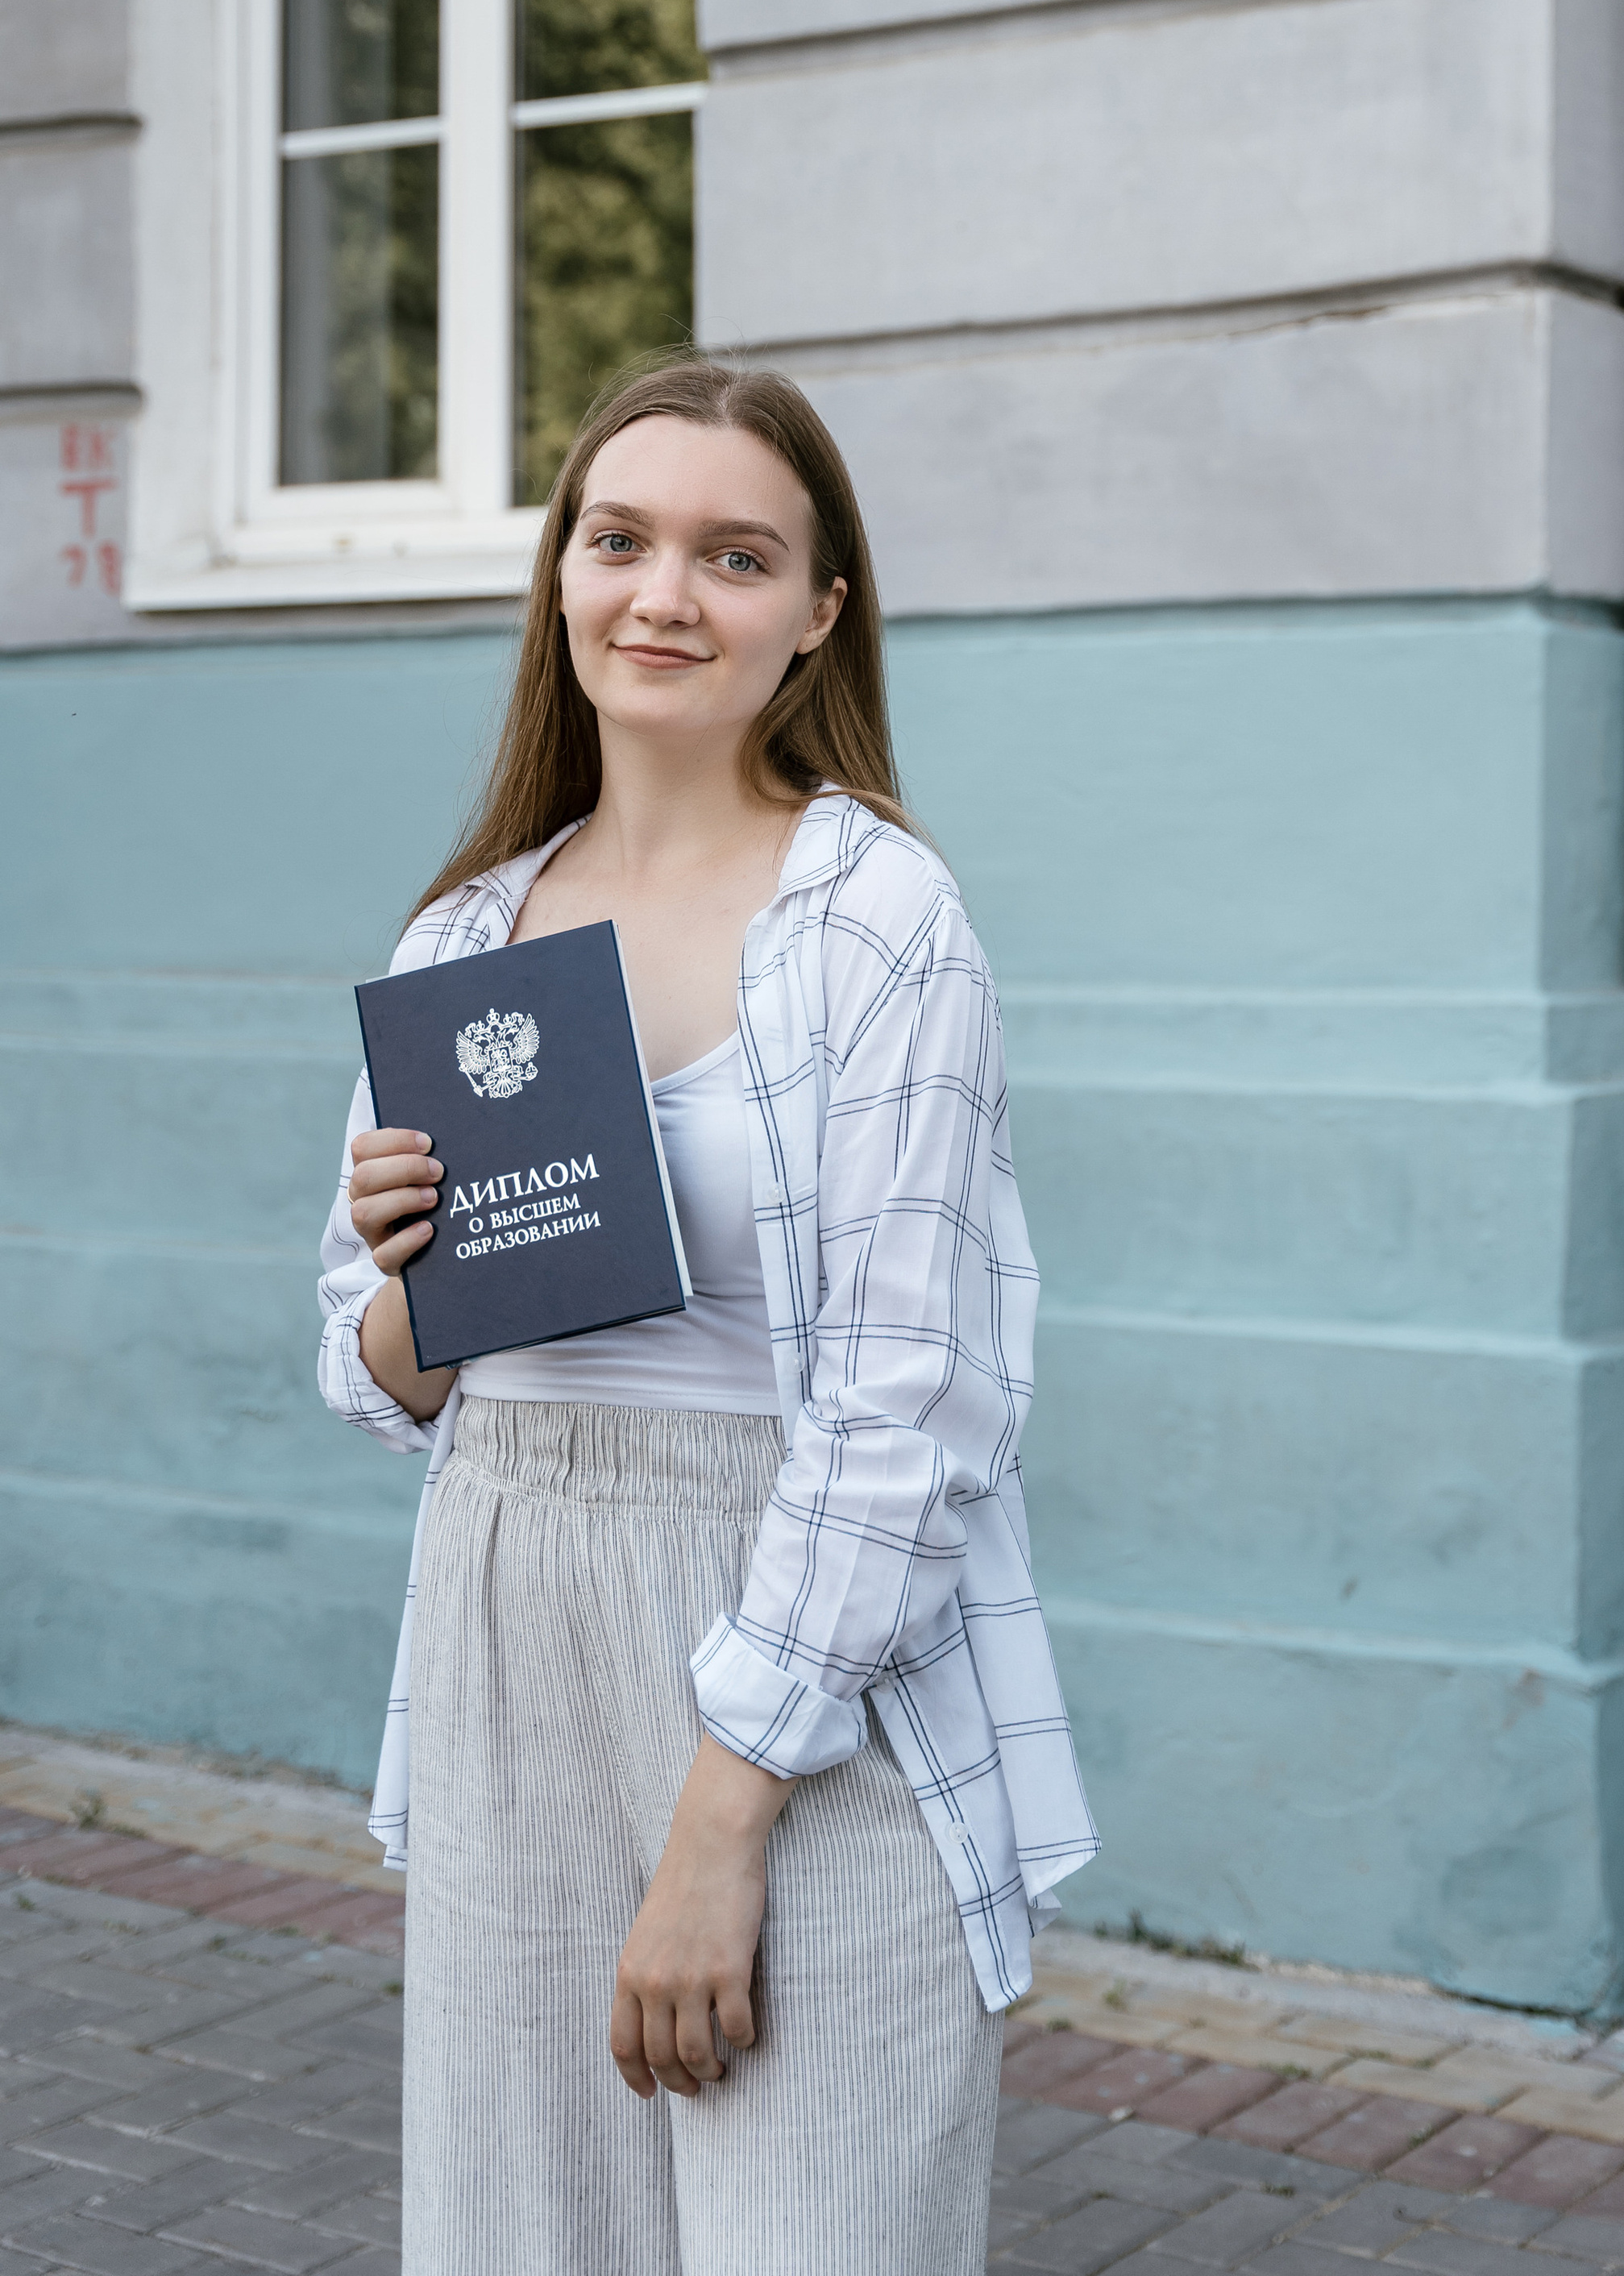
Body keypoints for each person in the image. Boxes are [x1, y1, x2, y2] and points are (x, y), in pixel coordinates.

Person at [315, 357, 1096, 2276]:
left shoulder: (876, 918)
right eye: (619, 540)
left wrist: (720, 1820)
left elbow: (910, 1412)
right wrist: (411, 1279)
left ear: (816, 612)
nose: (662, 595)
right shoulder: (462, 935)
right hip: (510, 1631)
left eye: (732, 556)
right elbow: (374, 1373)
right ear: (561, 573)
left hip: (803, 1667)